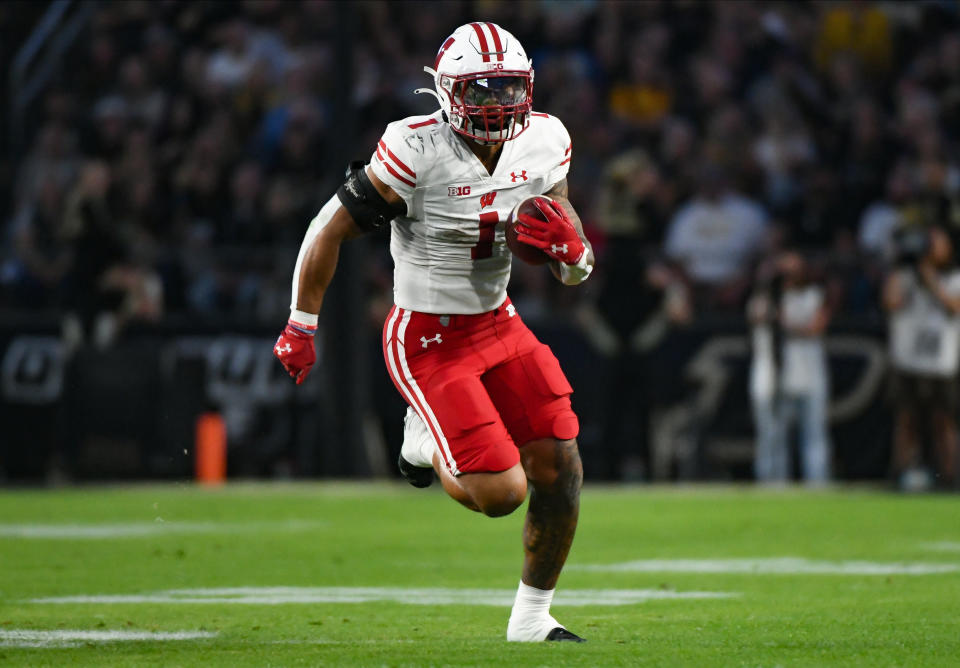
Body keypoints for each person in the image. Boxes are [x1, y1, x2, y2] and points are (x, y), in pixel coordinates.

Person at [272, 23, 593, 642]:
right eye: (480, 90)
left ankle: (531, 620)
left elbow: (569, 253)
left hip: (499, 322)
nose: (497, 103)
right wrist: (301, 323)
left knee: (561, 463)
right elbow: (328, 227)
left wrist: (575, 255)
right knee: (501, 492)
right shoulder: (416, 148)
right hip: (426, 335)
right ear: (447, 93)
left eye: (506, 87)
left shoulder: (547, 138)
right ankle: (420, 441)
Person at [883, 226, 960, 491]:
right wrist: (900, 264)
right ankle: (900, 472)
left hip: (941, 360)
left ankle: (950, 476)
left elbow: (955, 306)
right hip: (908, 358)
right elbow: (891, 302)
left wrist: (930, 280)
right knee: (906, 419)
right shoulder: (904, 275)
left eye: (936, 242)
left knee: (944, 420)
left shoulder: (954, 277)